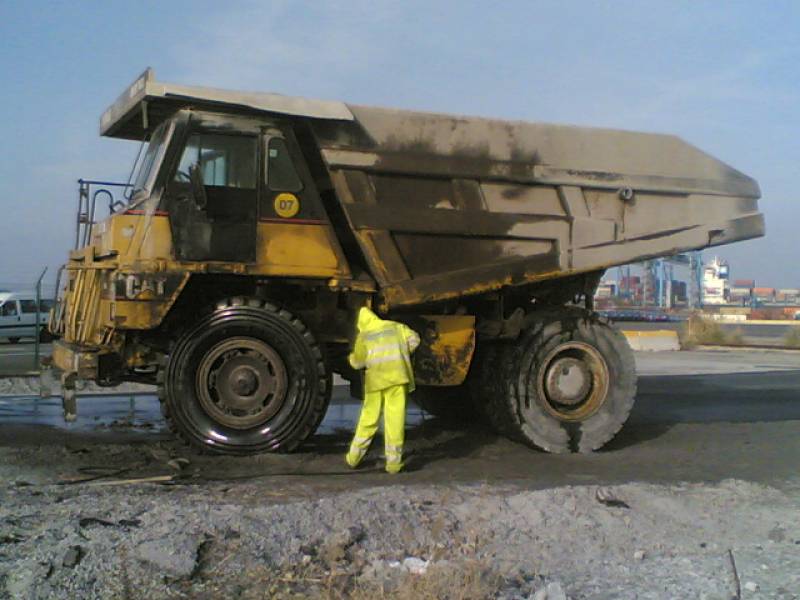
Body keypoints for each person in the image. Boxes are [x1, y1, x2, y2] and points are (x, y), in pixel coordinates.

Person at [346, 306, 420, 474]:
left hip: (376, 382)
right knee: (395, 419)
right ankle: (393, 464)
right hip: (398, 378)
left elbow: (358, 363)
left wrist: (351, 358)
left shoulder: (364, 336)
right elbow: (415, 340)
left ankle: (353, 458)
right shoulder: (396, 327)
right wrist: (402, 352)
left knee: (369, 418)